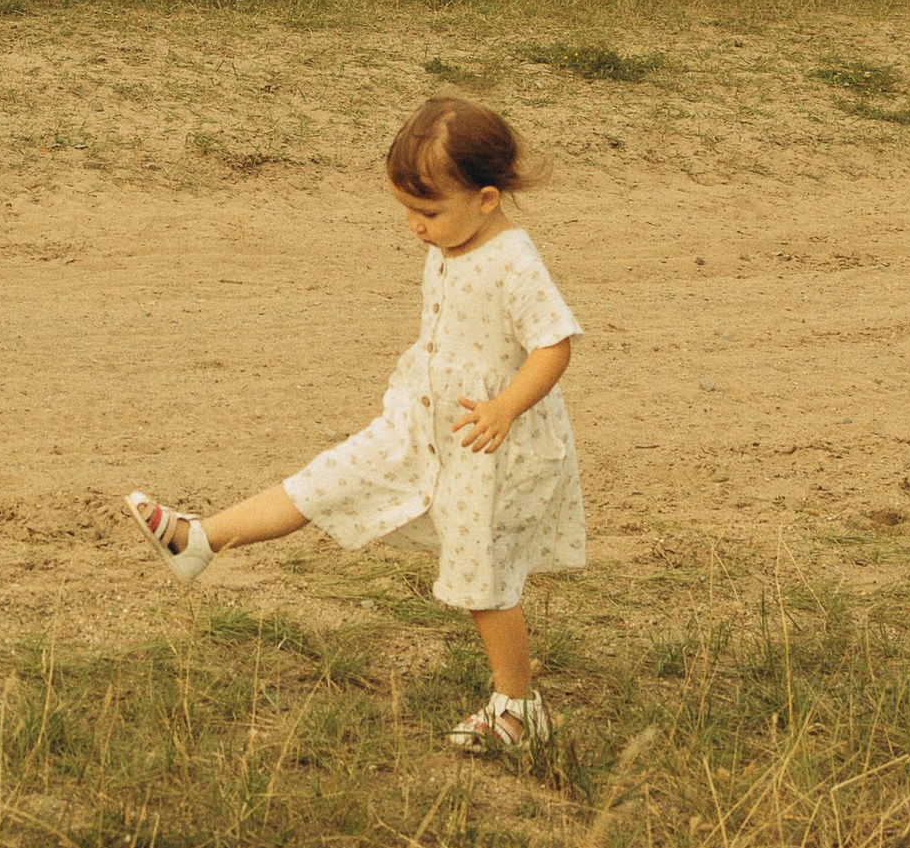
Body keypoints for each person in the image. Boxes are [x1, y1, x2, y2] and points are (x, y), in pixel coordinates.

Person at [125, 95, 582, 755]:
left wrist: (505, 407)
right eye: (406, 209)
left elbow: (554, 344)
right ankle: (199, 540)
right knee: (325, 480)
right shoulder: (453, 239)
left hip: (487, 445)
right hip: (418, 422)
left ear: (486, 199)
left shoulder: (513, 260)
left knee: (486, 578)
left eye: (428, 212)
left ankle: (516, 707)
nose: (414, 226)